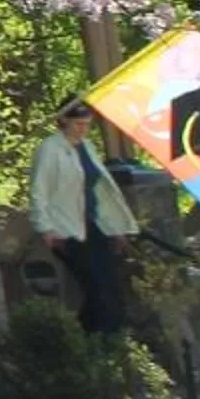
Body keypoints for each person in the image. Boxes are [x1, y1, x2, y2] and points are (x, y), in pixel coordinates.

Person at [31, 97, 138, 333]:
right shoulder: (50, 149)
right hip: (66, 228)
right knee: (96, 286)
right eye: (78, 124)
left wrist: (116, 228)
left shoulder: (87, 147)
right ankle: (93, 339)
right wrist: (45, 228)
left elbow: (100, 189)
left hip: (94, 223)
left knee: (110, 286)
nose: (83, 129)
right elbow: (39, 190)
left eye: (87, 124)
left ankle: (99, 340)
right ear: (63, 121)